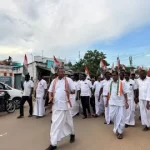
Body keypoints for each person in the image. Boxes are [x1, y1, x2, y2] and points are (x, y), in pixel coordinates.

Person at [46, 67, 75, 150]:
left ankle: (72, 134)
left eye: (63, 72)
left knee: (69, 122)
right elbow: (50, 92)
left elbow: (74, 91)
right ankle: (53, 144)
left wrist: (68, 91)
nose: (62, 73)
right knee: (55, 124)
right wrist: (50, 98)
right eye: (60, 72)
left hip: (66, 105)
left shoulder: (68, 80)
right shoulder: (54, 81)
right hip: (56, 106)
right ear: (57, 73)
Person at [106, 71, 129, 139]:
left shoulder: (122, 83)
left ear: (118, 75)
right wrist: (107, 102)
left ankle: (120, 132)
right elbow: (108, 93)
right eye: (112, 75)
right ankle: (116, 128)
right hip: (112, 102)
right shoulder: (110, 83)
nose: (113, 77)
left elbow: (125, 93)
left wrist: (126, 102)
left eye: (114, 75)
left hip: (120, 103)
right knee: (112, 116)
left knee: (121, 117)